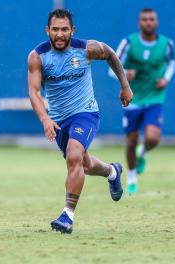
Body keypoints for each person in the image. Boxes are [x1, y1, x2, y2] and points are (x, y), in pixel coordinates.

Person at [28, 9, 133, 234]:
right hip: (58, 121)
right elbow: (34, 92)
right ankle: (112, 172)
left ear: (72, 30)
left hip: (85, 113)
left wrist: (124, 85)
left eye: (64, 29)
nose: (59, 34)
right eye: (55, 29)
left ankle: (67, 216)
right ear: (47, 30)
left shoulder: (87, 49)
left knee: (74, 156)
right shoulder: (37, 56)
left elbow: (111, 54)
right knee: (83, 165)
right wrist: (45, 119)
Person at [109, 8, 175, 194]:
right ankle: (131, 178)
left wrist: (166, 79)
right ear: (139, 23)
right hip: (133, 99)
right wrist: (124, 75)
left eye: (151, 19)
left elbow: (172, 63)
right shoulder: (128, 43)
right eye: (144, 19)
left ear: (156, 22)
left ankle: (143, 153)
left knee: (153, 138)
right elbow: (110, 66)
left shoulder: (166, 44)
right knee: (130, 142)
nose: (148, 22)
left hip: (154, 97)